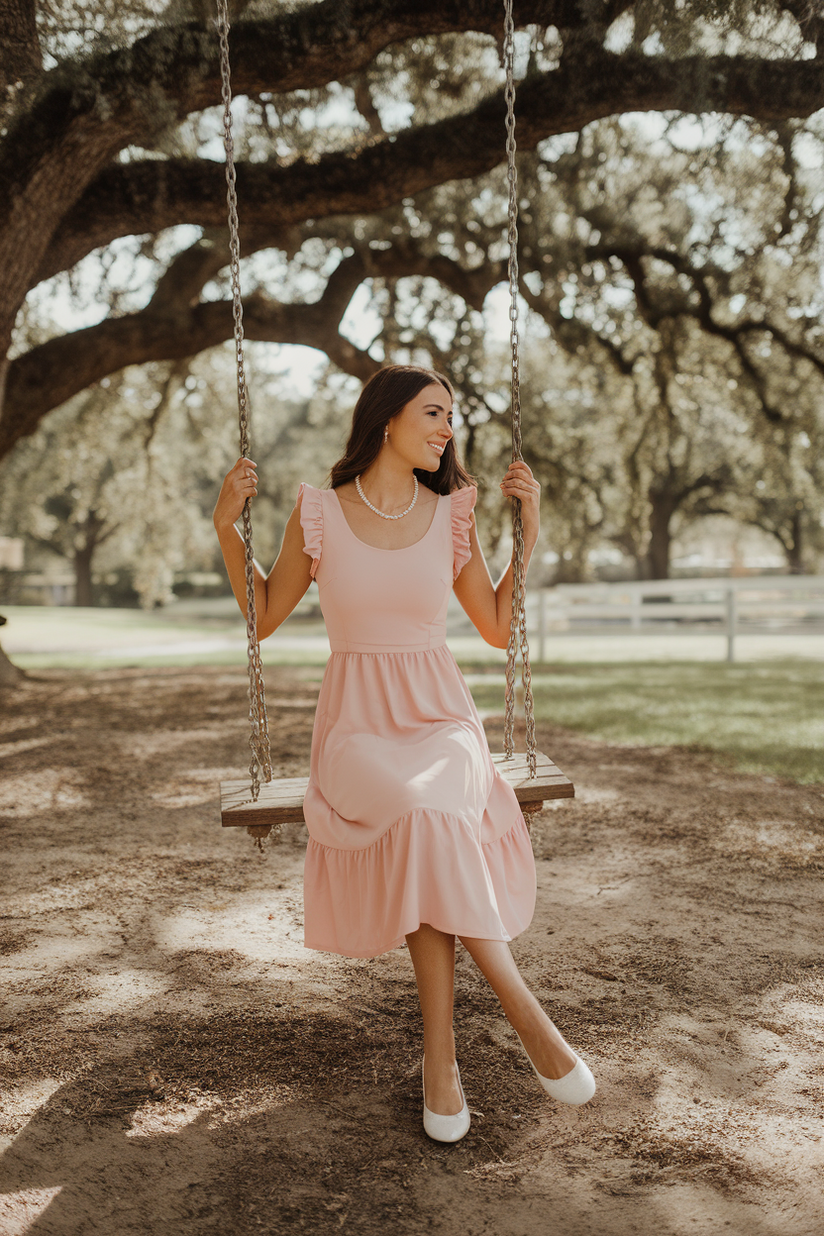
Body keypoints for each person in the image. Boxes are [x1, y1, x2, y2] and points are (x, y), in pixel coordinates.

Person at [214, 364, 595, 1142]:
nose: (447, 427)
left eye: (451, 415)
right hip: (357, 727)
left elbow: (492, 625)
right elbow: (262, 618)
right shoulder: (318, 514)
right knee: (421, 814)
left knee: (431, 814)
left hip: (441, 721)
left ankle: (441, 1060)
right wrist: (227, 527)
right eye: (433, 412)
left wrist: (527, 542)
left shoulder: (453, 514)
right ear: (386, 420)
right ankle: (524, 1015)